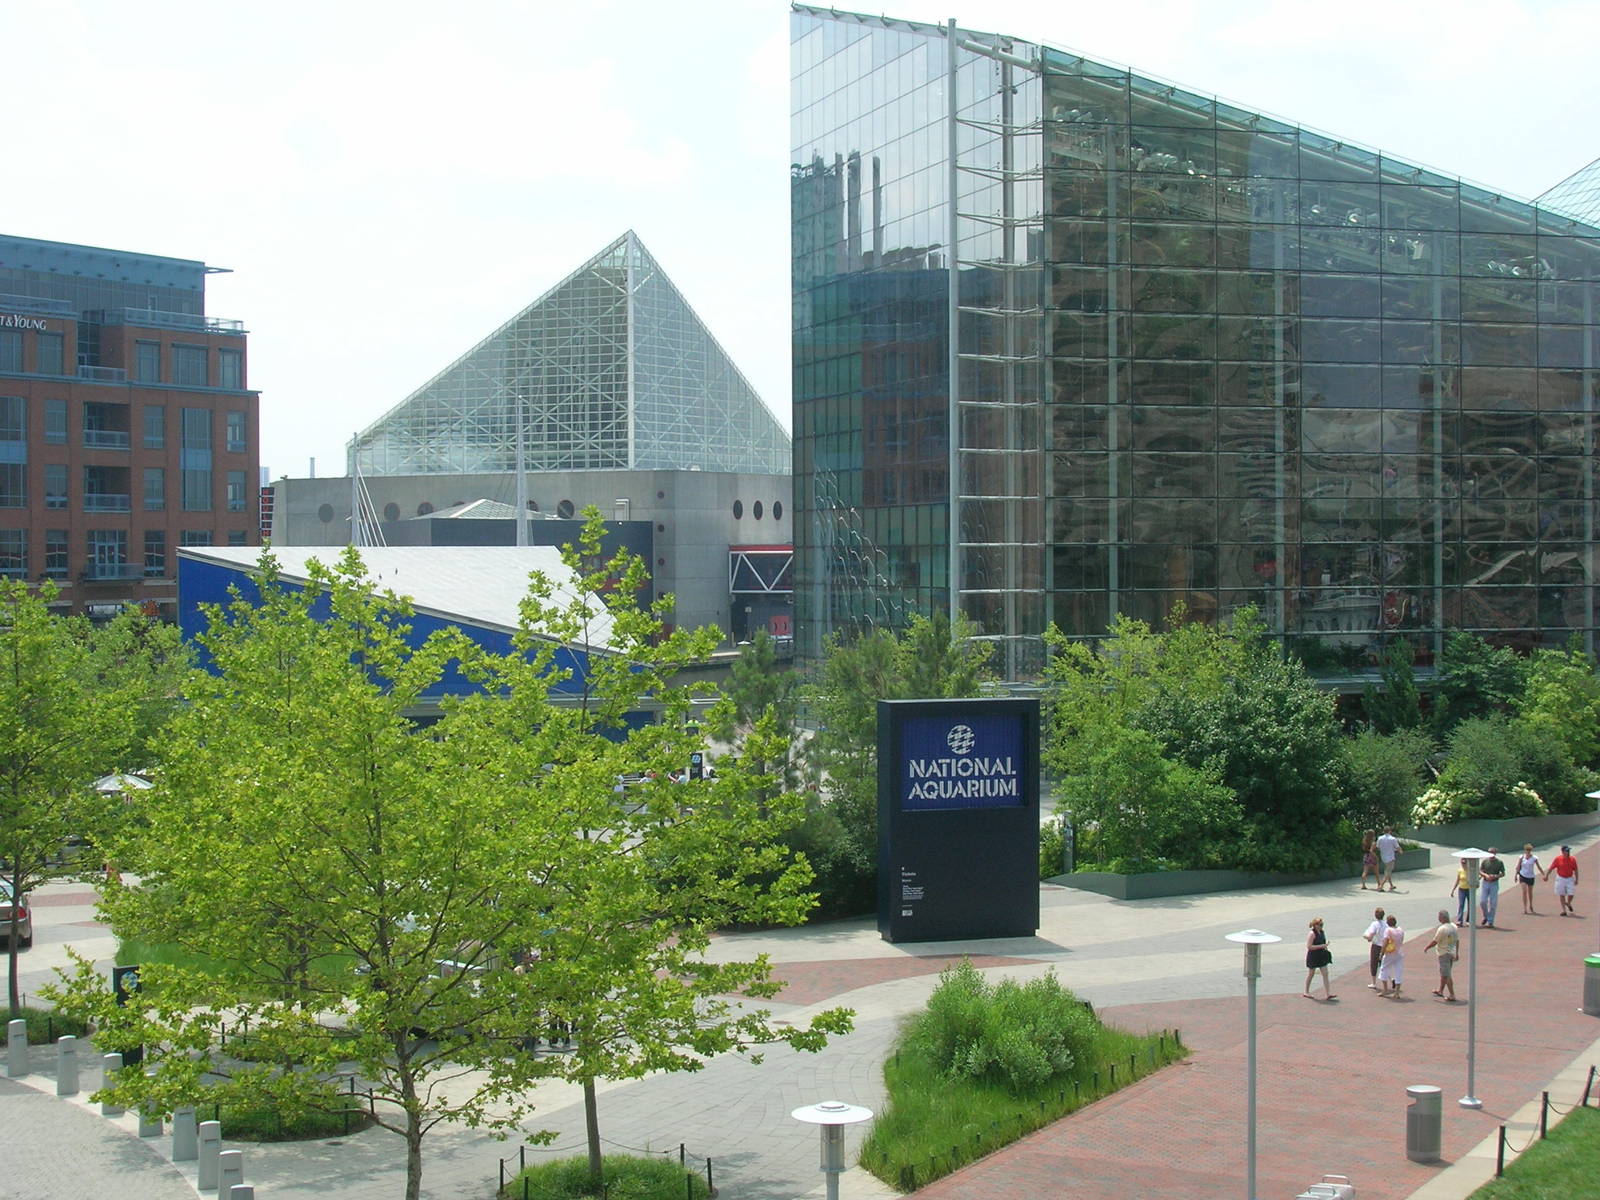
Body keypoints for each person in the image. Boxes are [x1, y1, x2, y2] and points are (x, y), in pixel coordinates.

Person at [1423, 908, 1458, 1001]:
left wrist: (1427, 947)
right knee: (1444, 974)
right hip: (1451, 951)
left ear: (1442, 918)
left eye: (1439, 916)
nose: (1438, 918)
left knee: (1446, 974)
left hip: (1444, 953)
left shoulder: (1442, 929)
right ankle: (1440, 990)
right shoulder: (1454, 926)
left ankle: (1452, 994)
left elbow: (1435, 941)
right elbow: (1457, 940)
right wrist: (1457, 953)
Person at [1303, 917, 1336, 1000]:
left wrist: (1325, 948)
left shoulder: (1322, 932)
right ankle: (1306, 991)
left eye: (1322, 925)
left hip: (1321, 955)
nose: (1322, 926)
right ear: (1315, 925)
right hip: (1313, 956)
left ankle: (1328, 993)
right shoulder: (1312, 933)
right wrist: (1322, 946)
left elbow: (1323, 942)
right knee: (1311, 974)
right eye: (1320, 925)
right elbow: (1309, 946)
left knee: (1325, 973)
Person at [1376, 913, 1405, 996]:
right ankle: (1397, 992)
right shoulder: (1400, 929)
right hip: (1399, 953)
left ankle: (1385, 990)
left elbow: (1385, 942)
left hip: (1390, 953)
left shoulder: (1388, 930)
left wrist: (1381, 954)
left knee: (1384, 969)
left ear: (1388, 923)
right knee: (1398, 971)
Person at [1549, 845, 1580, 917]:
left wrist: (1577, 879)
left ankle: (1568, 903)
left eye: (1568, 851)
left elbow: (1575, 869)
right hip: (1561, 878)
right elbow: (1551, 867)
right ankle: (1564, 910)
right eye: (1566, 851)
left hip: (1569, 878)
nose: (1568, 852)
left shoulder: (1572, 859)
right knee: (1562, 894)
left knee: (1571, 893)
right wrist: (1546, 875)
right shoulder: (1558, 859)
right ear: (1562, 852)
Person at [1478, 848, 1505, 927]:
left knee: (1493, 903)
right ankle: (1486, 916)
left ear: (1495, 853)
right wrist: (1486, 875)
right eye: (1489, 852)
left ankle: (1490, 920)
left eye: (1492, 852)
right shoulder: (1485, 861)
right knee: (1482, 901)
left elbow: (1503, 873)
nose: (1491, 854)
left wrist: (1495, 876)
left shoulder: (1499, 862)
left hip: (1494, 883)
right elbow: (1480, 871)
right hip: (1485, 882)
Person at [1514, 844, 1544, 915]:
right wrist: (1515, 875)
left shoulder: (1534, 858)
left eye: (1529, 850)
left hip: (1531, 876)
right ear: (1525, 850)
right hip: (1523, 876)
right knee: (1524, 891)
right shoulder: (1521, 857)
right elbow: (1518, 867)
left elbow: (1539, 867)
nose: (1528, 851)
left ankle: (1531, 905)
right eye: (1527, 850)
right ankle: (1525, 908)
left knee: (1530, 892)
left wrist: (1544, 874)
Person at [1363, 906, 1387, 990]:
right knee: (1385, 963)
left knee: (1374, 963)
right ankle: (1392, 979)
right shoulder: (1386, 924)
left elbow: (1370, 936)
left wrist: (1366, 937)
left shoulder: (1375, 924)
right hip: (1385, 946)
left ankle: (1373, 982)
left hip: (1376, 946)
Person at [1376, 827, 1401, 891]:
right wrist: (1400, 851)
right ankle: (1381, 886)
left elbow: (1378, 847)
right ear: (1390, 831)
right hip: (1390, 857)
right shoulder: (1393, 839)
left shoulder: (1380, 838)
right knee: (1388, 872)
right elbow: (1397, 847)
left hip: (1383, 857)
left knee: (1387, 870)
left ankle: (1391, 885)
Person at [1452, 860, 1472, 926]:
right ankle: (1460, 920)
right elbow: (1457, 880)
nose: (1463, 864)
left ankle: (1468, 920)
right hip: (1461, 889)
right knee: (1461, 905)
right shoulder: (1460, 870)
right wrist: (1453, 890)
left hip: (1469, 889)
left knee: (1470, 905)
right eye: (1462, 863)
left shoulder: (1470, 870)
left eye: (1464, 863)